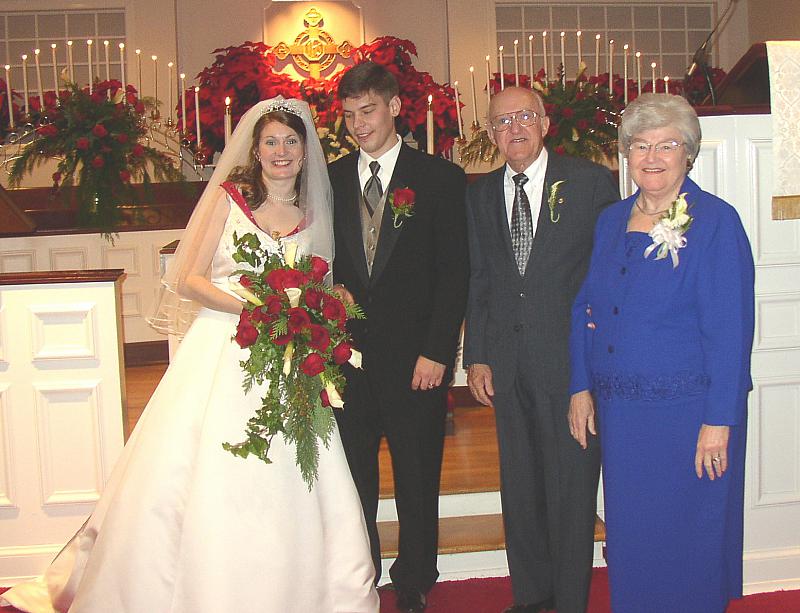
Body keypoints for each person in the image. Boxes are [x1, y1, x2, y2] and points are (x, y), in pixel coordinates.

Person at [0, 97, 379, 613]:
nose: (281, 151)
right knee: (209, 464)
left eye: (291, 141)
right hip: (225, 343)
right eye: (271, 141)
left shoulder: (318, 209)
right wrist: (255, 309)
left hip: (288, 356)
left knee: (293, 470)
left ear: (305, 148)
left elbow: (324, 279)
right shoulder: (230, 198)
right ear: (255, 148)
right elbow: (187, 277)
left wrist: (317, 312)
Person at [568, 93, 754, 613]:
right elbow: (586, 307)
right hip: (624, 417)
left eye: (667, 145)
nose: (652, 156)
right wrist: (580, 386)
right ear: (625, 154)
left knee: (688, 538)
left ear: (688, 154)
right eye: (640, 145)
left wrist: (719, 422)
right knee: (633, 535)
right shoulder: (610, 221)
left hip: (689, 416)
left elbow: (731, 331)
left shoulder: (716, 222)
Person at [464, 86, 619, 613]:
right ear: (490, 133)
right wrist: (477, 353)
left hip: (572, 364)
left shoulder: (591, 183)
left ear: (546, 123)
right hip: (507, 364)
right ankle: (531, 598)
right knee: (521, 489)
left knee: (572, 490)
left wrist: (595, 367)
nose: (515, 128)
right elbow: (480, 277)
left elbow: (606, 282)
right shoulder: (480, 194)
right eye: (502, 121)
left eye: (525, 116)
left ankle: (571, 602)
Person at [328, 61, 469, 613]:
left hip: (418, 360)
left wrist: (438, 351)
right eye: (348, 115)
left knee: (416, 476)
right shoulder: (331, 179)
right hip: (347, 362)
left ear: (393, 108)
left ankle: (414, 578)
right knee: (354, 480)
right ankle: (361, 572)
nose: (359, 125)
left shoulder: (438, 178)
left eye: (368, 111)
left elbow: (454, 272)